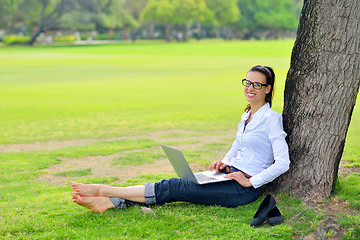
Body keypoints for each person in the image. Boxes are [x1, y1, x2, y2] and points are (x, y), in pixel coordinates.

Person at [71, 65, 290, 212]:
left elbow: (283, 162)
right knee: (181, 184)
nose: (250, 88)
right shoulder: (246, 116)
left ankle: (104, 191)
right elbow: (237, 146)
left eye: (257, 85)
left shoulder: (271, 119)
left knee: (176, 187)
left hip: (241, 190)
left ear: (267, 89)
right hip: (226, 175)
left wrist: (250, 181)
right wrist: (223, 162)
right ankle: (110, 202)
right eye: (247, 82)